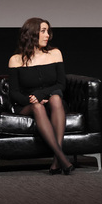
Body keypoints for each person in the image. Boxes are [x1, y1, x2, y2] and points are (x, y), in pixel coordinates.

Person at [8, 18, 74, 175]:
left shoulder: (55, 54)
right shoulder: (15, 59)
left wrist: (41, 94)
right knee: (37, 107)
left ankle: (57, 161)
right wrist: (31, 99)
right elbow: (14, 92)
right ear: (32, 34)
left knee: (56, 98)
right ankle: (61, 158)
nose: (47, 35)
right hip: (27, 105)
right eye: (43, 31)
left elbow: (60, 85)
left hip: (51, 100)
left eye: (48, 31)